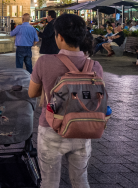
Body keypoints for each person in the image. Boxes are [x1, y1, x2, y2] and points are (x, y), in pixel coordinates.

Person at [28, 13, 103, 188]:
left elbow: (32, 93)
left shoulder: (44, 62)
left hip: (52, 129)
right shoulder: (95, 66)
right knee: (81, 181)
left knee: (50, 182)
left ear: (59, 37)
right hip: (83, 130)